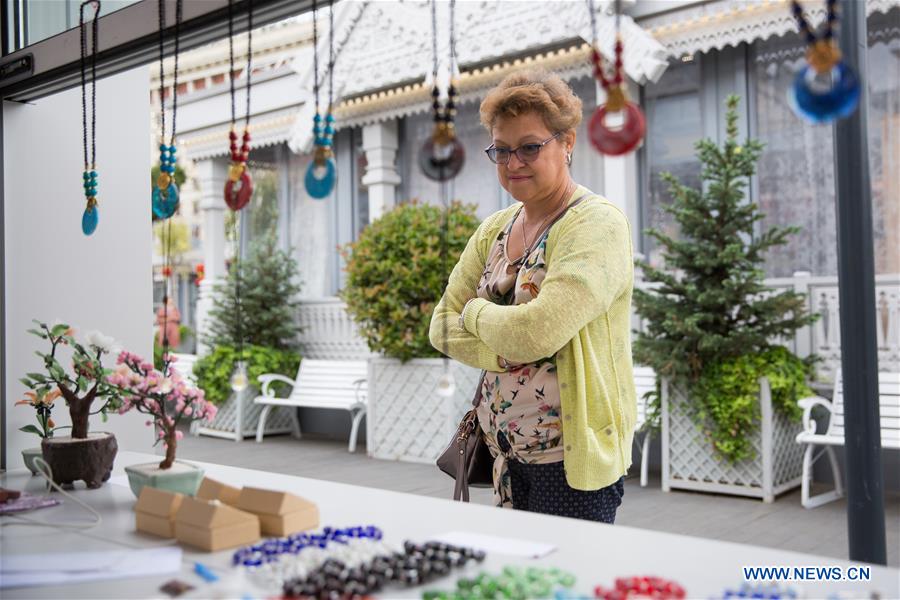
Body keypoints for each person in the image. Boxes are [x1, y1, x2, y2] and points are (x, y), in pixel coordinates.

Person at [429, 68, 636, 524]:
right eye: (501, 150)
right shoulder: (495, 229)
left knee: (567, 569)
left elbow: (537, 332)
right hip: (502, 456)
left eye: (529, 147)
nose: (513, 162)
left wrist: (475, 312)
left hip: (568, 463)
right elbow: (441, 326)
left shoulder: (595, 224)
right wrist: (504, 353)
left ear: (567, 143)